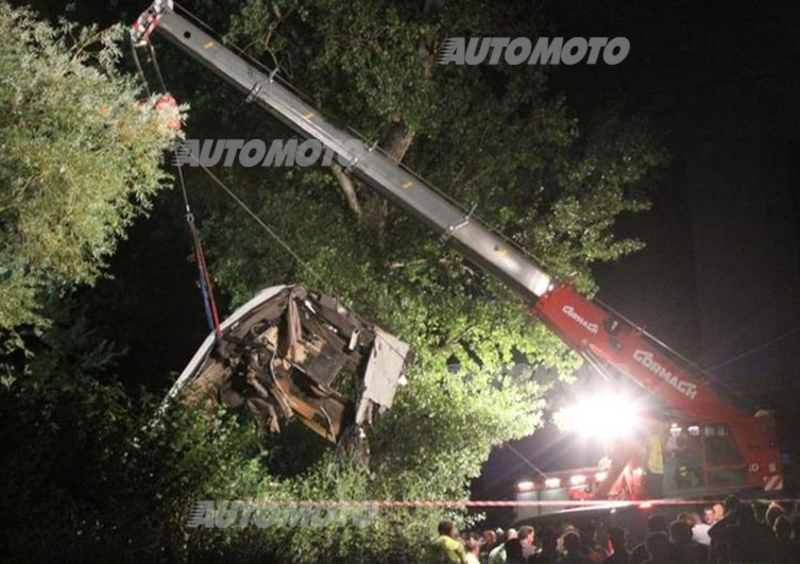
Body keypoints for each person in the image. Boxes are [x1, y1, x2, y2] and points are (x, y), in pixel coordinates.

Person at [644, 426, 664, 499]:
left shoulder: (649, 439)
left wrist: (644, 465)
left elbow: (647, 452)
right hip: (660, 467)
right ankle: (659, 500)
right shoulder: (659, 438)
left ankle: (655, 502)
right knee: (658, 487)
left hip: (651, 466)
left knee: (652, 487)